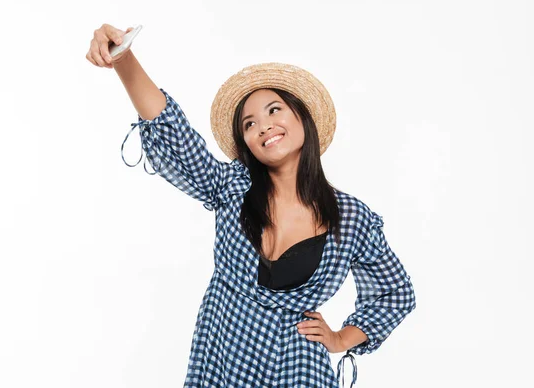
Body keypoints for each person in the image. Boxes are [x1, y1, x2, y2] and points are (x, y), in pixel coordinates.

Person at [86, 23, 417, 388]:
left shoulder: (351, 218)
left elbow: (395, 292)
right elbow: (175, 136)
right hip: (220, 361)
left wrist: (341, 338)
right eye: (250, 123)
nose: (264, 126)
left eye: (275, 110)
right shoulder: (233, 187)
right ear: (245, 142)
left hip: (298, 368)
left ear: (301, 116)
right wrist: (124, 59)